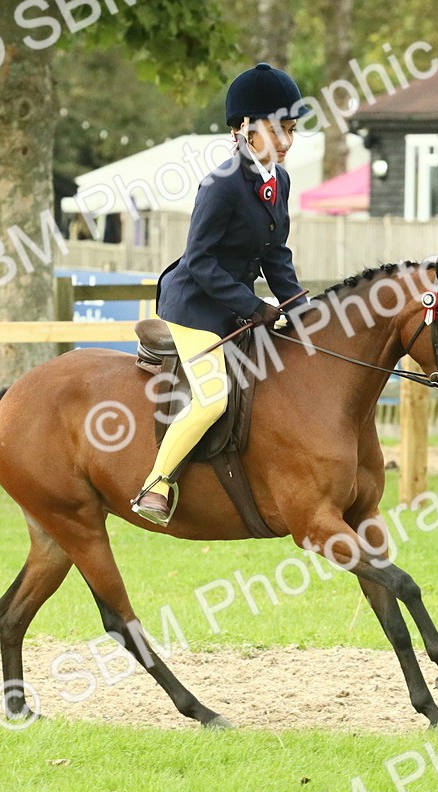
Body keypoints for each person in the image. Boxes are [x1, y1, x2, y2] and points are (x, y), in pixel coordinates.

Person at [132, 62, 310, 526]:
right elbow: (200, 262)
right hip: (195, 307)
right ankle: (157, 483)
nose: (286, 142)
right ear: (245, 128)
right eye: (278, 131)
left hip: (235, 306)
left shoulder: (280, 181)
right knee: (213, 398)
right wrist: (255, 306)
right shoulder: (222, 184)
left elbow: (276, 254)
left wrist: (300, 309)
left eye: (291, 130)